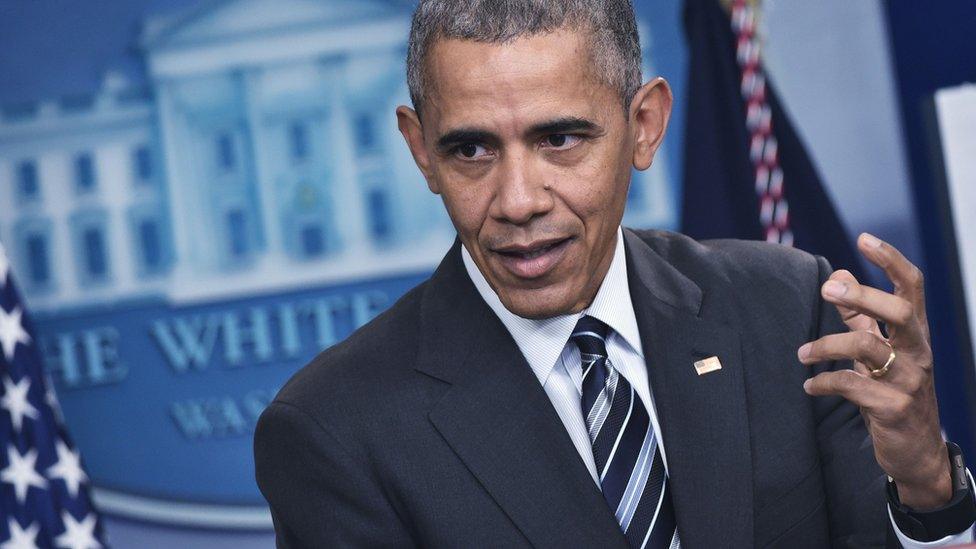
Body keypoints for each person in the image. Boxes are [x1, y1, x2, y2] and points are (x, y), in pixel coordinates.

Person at [253, 1, 976, 547]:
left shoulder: (784, 308)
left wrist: (925, 484)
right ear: (419, 150)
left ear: (645, 125)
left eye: (559, 138)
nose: (517, 201)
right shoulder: (334, 429)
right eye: (470, 150)